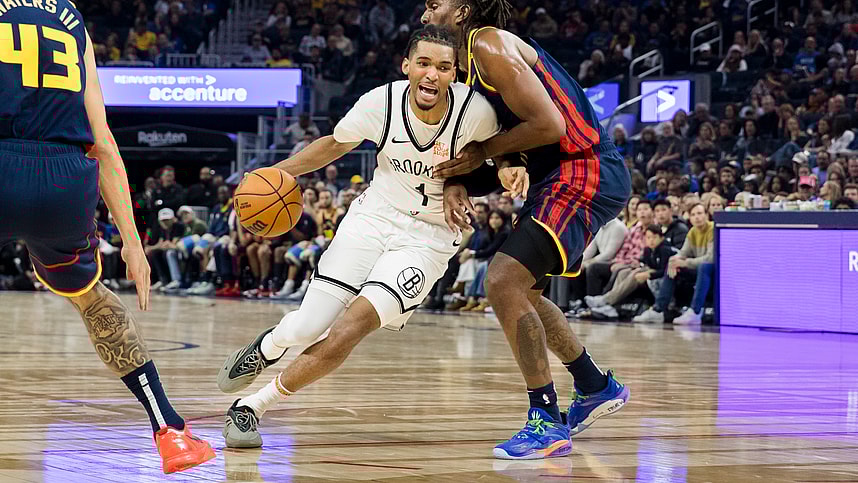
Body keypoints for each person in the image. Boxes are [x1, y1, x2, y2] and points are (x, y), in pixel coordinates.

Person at [217, 26, 514, 449]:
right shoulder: (381, 102)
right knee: (308, 325)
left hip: (429, 237)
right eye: (424, 64)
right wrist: (277, 173)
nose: (432, 75)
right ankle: (268, 346)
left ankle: (251, 407)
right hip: (374, 216)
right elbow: (333, 146)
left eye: (444, 67)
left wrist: (497, 172)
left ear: (455, 73)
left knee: (349, 328)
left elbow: (497, 150)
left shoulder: (476, 111)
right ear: (406, 66)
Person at [0, 1, 213, 473]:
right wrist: (134, 246)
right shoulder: (70, 20)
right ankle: (171, 433)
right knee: (94, 301)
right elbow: (104, 142)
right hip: (63, 178)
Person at [423, 0, 631, 460]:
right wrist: (463, 176)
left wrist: (484, 154)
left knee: (502, 280)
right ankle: (595, 385)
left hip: (584, 168)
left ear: (463, 11)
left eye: (435, 3)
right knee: (525, 294)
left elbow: (549, 123)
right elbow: (506, 134)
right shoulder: (466, 64)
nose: (424, 12)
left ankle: (545, 421)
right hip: (558, 174)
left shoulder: (487, 44)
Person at [634, 203, 714, 324]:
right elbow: (682, 253)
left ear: (707, 215)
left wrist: (685, 262)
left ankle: (695, 312)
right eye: (693, 214)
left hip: (714, 269)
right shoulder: (692, 232)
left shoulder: (713, 229)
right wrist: (673, 261)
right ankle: (658, 310)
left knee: (704, 266)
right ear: (690, 218)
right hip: (697, 268)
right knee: (673, 264)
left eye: (700, 213)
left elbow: (710, 258)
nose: (697, 217)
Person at [587, 224, 674, 319]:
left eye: (654, 237)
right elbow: (643, 263)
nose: (651, 240)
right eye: (648, 237)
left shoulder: (665, 250)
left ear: (661, 238)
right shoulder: (647, 250)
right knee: (623, 272)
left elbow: (663, 271)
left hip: (659, 279)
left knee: (635, 274)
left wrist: (649, 274)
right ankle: (611, 306)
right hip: (649, 273)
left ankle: (606, 300)